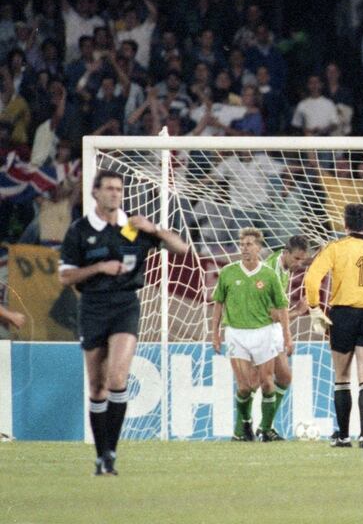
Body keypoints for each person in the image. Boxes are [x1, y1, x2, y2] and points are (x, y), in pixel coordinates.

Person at [59, 170, 189, 475]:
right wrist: (100, 267)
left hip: (125, 305)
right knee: (97, 385)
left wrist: (154, 228)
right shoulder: (80, 231)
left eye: (119, 189)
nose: (115, 194)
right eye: (109, 189)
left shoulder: (133, 228)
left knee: (118, 378)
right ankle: (101, 453)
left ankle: (111, 453)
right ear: (95, 193)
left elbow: (181, 248)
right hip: (92, 307)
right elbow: (65, 276)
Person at [304, 204, 363, 448]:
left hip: (342, 315)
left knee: (342, 377)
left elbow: (311, 279)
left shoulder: (335, 248)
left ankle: (343, 436)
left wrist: (314, 307)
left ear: (345, 225)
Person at [211, 227, 291, 443]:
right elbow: (218, 303)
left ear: (259, 248)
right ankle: (246, 422)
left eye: (249, 244)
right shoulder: (228, 272)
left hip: (264, 333)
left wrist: (287, 336)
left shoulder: (269, 274)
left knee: (267, 383)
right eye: (242, 244)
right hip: (236, 334)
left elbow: (282, 306)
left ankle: (265, 429)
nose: (244, 248)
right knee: (245, 387)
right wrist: (215, 334)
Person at [257, 235, 311, 440]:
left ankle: (265, 427)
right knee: (256, 383)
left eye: (301, 260)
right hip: (261, 328)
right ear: (286, 252)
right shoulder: (270, 272)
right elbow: (270, 313)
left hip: (273, 329)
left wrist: (320, 256)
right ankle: (256, 429)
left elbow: (304, 260)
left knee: (284, 378)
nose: (299, 264)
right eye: (296, 259)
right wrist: (297, 311)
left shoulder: (283, 261)